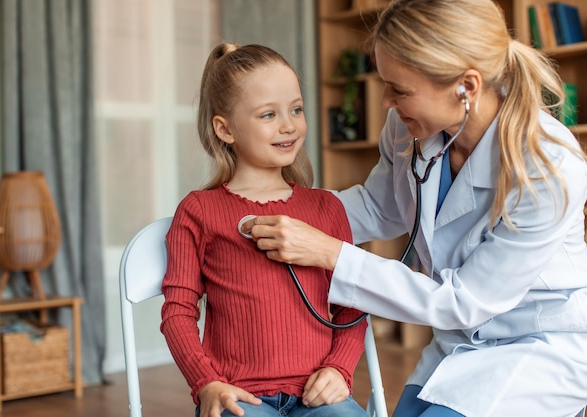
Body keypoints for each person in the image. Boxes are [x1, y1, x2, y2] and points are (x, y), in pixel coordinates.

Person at [241, 1, 587, 416]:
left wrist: (330, 254)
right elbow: (378, 206)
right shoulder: (410, 129)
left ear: (467, 86)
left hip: (539, 345)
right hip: (457, 340)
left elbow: (465, 300)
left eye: (400, 89)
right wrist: (273, 210)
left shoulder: (549, 166)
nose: (386, 101)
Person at [160, 43, 368, 417]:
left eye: (296, 109)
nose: (288, 125)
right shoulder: (199, 211)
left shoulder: (326, 208)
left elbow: (351, 305)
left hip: (317, 396)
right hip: (238, 397)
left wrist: (340, 368)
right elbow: (178, 312)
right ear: (225, 129)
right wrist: (206, 382)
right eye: (268, 114)